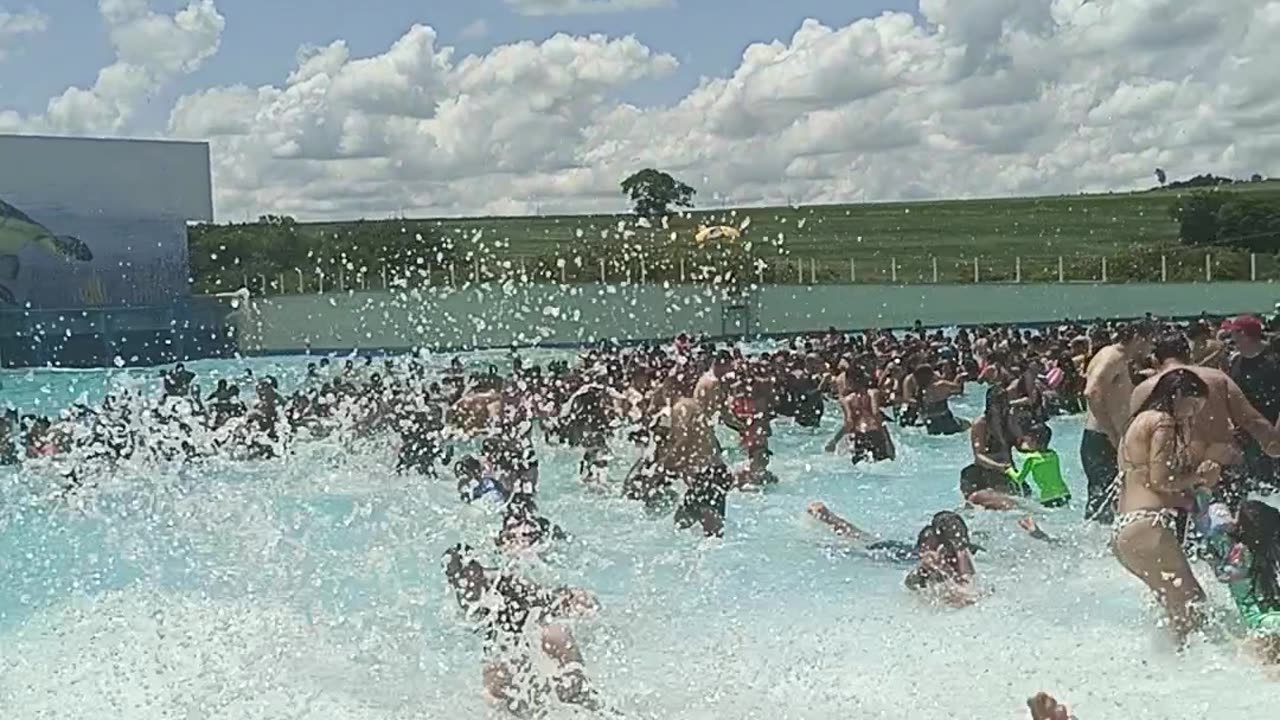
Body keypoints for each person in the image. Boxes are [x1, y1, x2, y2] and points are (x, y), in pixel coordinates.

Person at [1112, 369, 1220, 642]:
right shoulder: (1163, 422)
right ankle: (1201, 673)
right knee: (1194, 604)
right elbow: (1162, 480)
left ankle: (1173, 670)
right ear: (1179, 394)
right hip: (1149, 527)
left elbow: (1144, 482)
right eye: (1193, 406)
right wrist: (1201, 478)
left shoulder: (1135, 424)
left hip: (1125, 530)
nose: (1192, 415)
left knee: (1178, 612)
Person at [1131, 330, 1280, 511]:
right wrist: (1273, 445)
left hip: (1175, 478)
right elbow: (1252, 421)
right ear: (1189, 354)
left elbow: (1135, 444)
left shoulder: (1143, 390)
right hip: (1222, 470)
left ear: (1155, 359)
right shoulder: (1217, 378)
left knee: (1180, 535)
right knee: (1229, 531)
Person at [442, 545, 601, 714]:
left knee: (558, 640)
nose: (467, 578)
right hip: (510, 646)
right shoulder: (462, 598)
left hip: (532, 633)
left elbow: (544, 597)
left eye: (470, 571)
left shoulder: (504, 581)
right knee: (494, 693)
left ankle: (592, 702)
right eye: (458, 576)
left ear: (478, 568)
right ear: (451, 580)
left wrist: (569, 597)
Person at [1082, 320, 1155, 523]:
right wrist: (1113, 434)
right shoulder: (1112, 357)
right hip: (1102, 439)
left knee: (1112, 501)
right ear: (1139, 339)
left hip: (1104, 438)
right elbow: (1091, 392)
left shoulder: (1118, 358)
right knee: (1104, 504)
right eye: (1150, 342)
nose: (1150, 348)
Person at [1211, 500, 1280, 664]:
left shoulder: (1234, 552)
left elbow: (1222, 574)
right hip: (1272, 617)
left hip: (1259, 620)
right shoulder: (1269, 549)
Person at [1225, 314, 1280, 495]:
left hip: (1273, 430)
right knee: (1252, 489)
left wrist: (1276, 434)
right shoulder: (1236, 363)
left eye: (1234, 334)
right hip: (1247, 436)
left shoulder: (1274, 361)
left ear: (1245, 334)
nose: (1231, 339)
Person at [960, 387, 1021, 502]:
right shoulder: (981, 424)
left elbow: (1021, 444)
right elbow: (979, 456)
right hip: (984, 472)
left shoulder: (1009, 420)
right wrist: (998, 466)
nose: (1002, 408)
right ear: (990, 405)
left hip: (1007, 471)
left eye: (1004, 404)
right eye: (998, 405)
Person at [825, 364, 895, 465]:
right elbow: (876, 415)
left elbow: (849, 423)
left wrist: (834, 441)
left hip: (860, 436)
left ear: (848, 381)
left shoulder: (846, 400)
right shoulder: (873, 393)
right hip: (876, 434)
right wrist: (888, 440)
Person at [1006, 424, 1071, 508]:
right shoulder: (1054, 455)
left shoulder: (1031, 460)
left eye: (1028, 441)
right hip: (1064, 493)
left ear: (1034, 442)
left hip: (1048, 498)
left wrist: (1009, 470)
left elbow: (1019, 479)